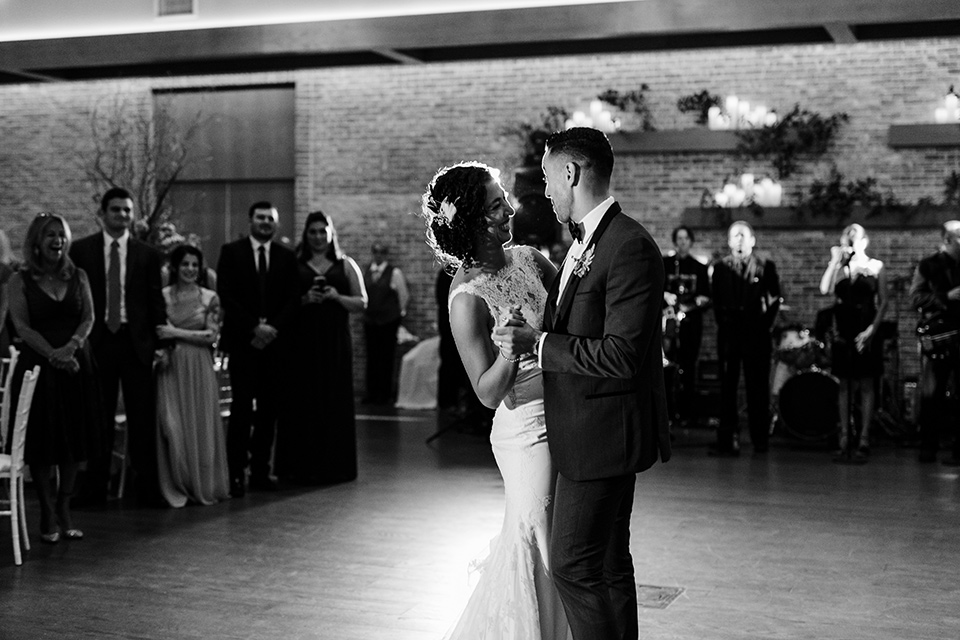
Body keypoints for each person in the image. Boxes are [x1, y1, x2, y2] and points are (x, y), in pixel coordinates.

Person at [496, 128, 671, 640]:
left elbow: (622, 356)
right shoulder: (584, 244)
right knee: (611, 565)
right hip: (590, 432)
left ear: (571, 174)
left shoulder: (627, 246)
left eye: (549, 177)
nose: (546, 191)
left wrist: (538, 344)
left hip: (601, 438)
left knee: (572, 566)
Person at [421, 161, 569, 640]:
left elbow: (571, 313)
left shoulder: (530, 258)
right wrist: (511, 353)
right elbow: (486, 392)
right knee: (541, 542)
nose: (510, 208)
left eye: (504, 196)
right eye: (495, 203)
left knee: (564, 541)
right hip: (526, 429)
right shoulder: (466, 297)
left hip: (570, 410)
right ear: (469, 220)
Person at [7, 214, 101, 542]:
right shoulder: (20, 280)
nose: (57, 240)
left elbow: (89, 317)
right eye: (49, 235)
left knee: (74, 443)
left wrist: (71, 348)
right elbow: (21, 327)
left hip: (77, 364)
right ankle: (46, 511)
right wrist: (54, 355)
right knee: (43, 443)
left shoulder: (79, 276)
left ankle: (64, 507)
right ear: (36, 241)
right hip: (39, 367)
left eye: (61, 235)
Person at [71, 187, 166, 506]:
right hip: (97, 341)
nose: (123, 216)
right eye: (116, 210)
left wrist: (159, 343)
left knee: (142, 417)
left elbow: (155, 301)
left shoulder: (147, 254)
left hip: (135, 341)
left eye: (127, 210)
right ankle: (95, 487)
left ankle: (146, 487)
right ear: (103, 213)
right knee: (99, 416)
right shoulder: (81, 251)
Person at [275, 211, 367, 484]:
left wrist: (337, 297)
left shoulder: (345, 264)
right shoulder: (293, 263)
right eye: (312, 231)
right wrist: (305, 299)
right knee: (301, 401)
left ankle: (334, 466)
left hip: (335, 342)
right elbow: (282, 303)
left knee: (334, 399)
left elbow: (362, 303)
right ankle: (299, 467)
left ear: (330, 233)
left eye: (322, 231)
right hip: (300, 343)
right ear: (306, 234)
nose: (317, 236)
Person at [216, 201, 300, 496]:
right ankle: (235, 473)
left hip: (276, 345)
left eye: (271, 219)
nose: (266, 222)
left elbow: (293, 298)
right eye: (261, 217)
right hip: (243, 342)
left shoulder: (286, 257)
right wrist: (254, 327)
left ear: (276, 224)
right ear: (250, 220)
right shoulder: (231, 252)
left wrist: (271, 329)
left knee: (268, 411)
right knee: (240, 410)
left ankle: (261, 471)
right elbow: (226, 295)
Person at [154, 244, 231, 506]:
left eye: (194, 265)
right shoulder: (162, 296)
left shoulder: (209, 297)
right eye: (185, 264)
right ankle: (176, 481)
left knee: (199, 426)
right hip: (171, 367)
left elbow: (211, 336)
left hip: (198, 366)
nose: (190, 269)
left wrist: (175, 333)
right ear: (175, 267)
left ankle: (200, 483)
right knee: (172, 425)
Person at [709, 220, 782, 457]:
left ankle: (760, 439)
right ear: (729, 241)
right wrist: (725, 322)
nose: (739, 239)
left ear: (752, 240)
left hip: (756, 334)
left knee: (757, 387)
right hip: (730, 334)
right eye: (734, 236)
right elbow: (716, 301)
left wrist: (763, 325)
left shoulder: (765, 266)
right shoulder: (720, 268)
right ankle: (727, 439)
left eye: (743, 235)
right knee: (727, 387)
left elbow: (774, 300)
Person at [819, 224, 887, 461]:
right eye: (847, 238)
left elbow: (884, 302)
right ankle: (845, 436)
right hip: (844, 332)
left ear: (864, 241)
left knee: (867, 384)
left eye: (854, 238)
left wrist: (872, 330)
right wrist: (833, 262)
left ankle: (865, 438)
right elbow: (825, 289)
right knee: (845, 385)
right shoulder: (840, 268)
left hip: (866, 328)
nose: (850, 242)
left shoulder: (875, 266)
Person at [909, 220, 960, 465]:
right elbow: (915, 299)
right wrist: (945, 297)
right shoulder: (928, 265)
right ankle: (928, 446)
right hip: (938, 338)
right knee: (932, 393)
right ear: (948, 239)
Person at [663, 225, 711, 426]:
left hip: (691, 324)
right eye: (679, 238)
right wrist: (665, 295)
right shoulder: (666, 264)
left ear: (690, 242)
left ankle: (686, 412)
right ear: (675, 241)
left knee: (689, 366)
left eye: (686, 238)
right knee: (666, 366)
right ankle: (667, 411)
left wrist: (696, 303)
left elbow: (706, 297)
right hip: (668, 324)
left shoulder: (699, 268)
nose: (682, 242)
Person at [362, 241, 409, 405]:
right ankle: (371, 393)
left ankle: (385, 394)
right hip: (370, 321)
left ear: (386, 254)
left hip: (388, 321)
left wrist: (397, 316)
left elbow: (403, 296)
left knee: (386, 358)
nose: (378, 255)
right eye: (375, 252)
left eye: (381, 252)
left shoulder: (394, 273)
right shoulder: (367, 271)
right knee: (372, 358)